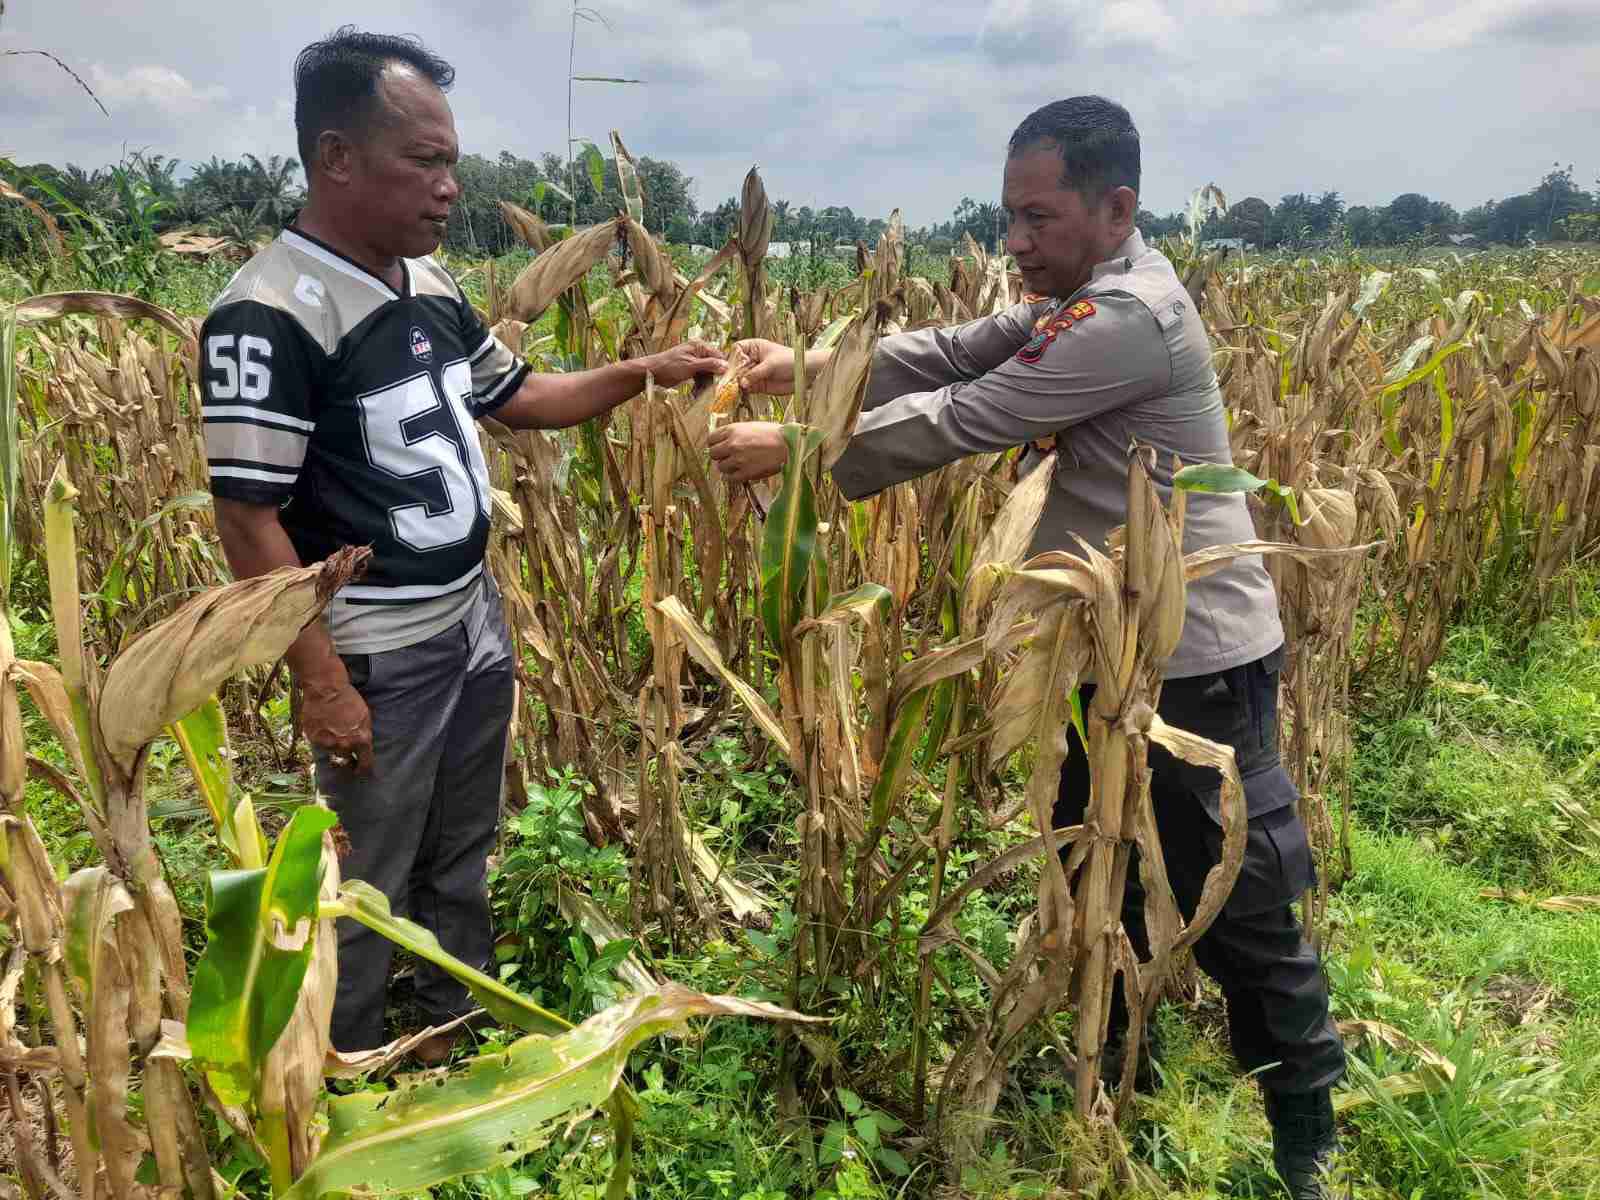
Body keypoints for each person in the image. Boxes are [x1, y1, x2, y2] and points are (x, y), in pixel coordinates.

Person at [707, 96, 1345, 1198]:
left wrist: (802, 447)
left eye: (1035, 218)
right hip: (1097, 645)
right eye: (1007, 217)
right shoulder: (1082, 295)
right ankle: (1110, 1072)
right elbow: (954, 347)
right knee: (1087, 858)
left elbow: (972, 412)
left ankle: (1304, 1133)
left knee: (1237, 897)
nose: (1014, 243)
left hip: (1189, 658)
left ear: (1116, 210)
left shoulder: (1129, 319)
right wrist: (801, 365)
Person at [199, 27, 723, 1059]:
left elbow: (516, 395)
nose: (449, 188)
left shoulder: (423, 282)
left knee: (460, 843)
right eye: (424, 162)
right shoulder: (268, 315)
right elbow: (247, 519)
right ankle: (341, 1065)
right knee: (365, 869)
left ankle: (450, 1015)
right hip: (374, 647)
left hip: (469, 619)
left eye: (452, 163)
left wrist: (642, 370)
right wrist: (320, 683)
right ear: (337, 157)